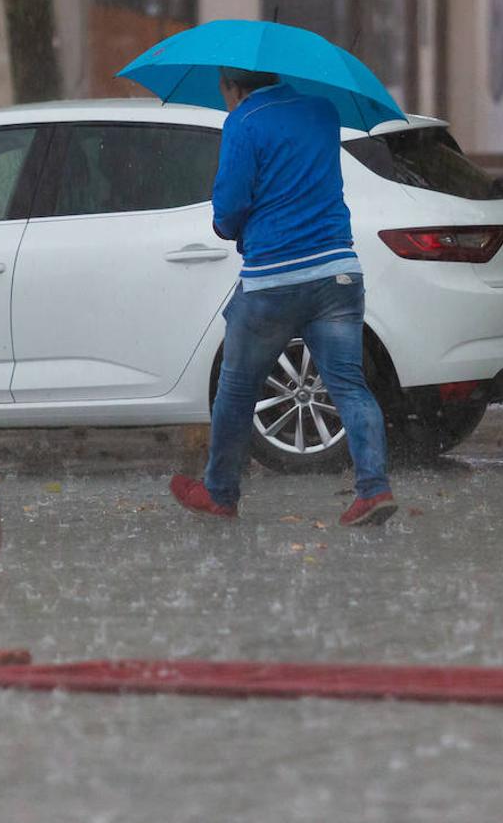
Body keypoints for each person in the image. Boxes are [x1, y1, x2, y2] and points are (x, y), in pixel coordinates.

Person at [170, 67, 397, 527]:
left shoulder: (243, 123)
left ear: (233, 88)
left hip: (273, 279)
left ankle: (220, 493)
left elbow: (230, 206)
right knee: (350, 386)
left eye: (225, 94)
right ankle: (373, 490)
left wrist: (225, 226)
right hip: (338, 273)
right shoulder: (322, 111)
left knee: (236, 390)